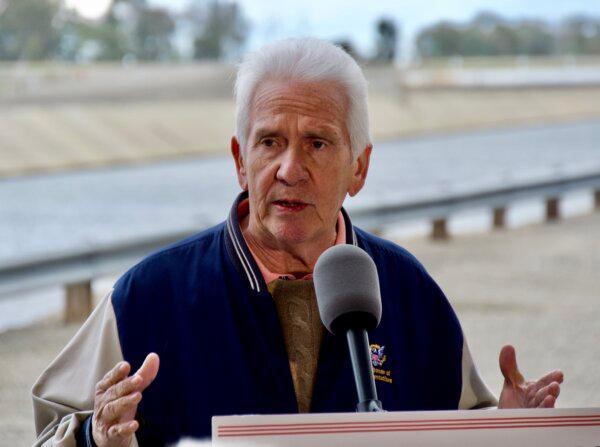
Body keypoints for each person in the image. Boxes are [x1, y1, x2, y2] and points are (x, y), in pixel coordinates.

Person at [32, 38, 563, 447]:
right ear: (241, 161)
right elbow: (51, 432)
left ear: (359, 167)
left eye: (317, 143)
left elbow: (458, 429)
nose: (290, 169)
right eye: (271, 142)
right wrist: (95, 435)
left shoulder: (409, 291)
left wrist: (506, 429)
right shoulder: (148, 295)